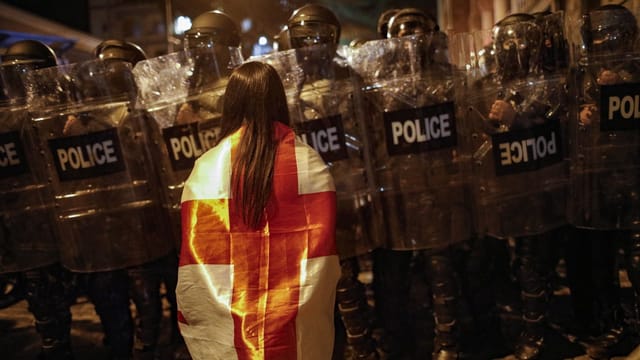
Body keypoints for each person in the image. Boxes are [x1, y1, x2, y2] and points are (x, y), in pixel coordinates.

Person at [176, 61, 340, 359]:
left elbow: (196, 260)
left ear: (231, 102)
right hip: (292, 313)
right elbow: (323, 254)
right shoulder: (309, 163)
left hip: (232, 312)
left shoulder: (208, 168)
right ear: (279, 99)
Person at [465, 13, 569, 359]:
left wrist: (517, 119)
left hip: (540, 186)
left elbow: (553, 126)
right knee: (519, 264)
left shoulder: (547, 83)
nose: (509, 49)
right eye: (504, 42)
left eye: (516, 41)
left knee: (535, 261)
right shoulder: (495, 85)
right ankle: (531, 330)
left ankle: (537, 335)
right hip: (509, 187)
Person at [286, 4, 383, 358]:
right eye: (301, 39)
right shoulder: (292, 87)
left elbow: (369, 137)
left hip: (344, 191)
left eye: (314, 38)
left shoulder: (348, 81)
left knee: (345, 276)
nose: (308, 47)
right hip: (309, 196)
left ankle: (362, 347)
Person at [568, 4, 640, 358]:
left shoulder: (635, 70)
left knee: (636, 255)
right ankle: (615, 325)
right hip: (597, 175)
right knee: (603, 258)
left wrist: (626, 85)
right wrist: (582, 118)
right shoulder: (583, 76)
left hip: (632, 171)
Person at [0, 40, 76, 360]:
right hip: (27, 221)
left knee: (47, 291)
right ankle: (54, 344)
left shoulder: (61, 117)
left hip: (50, 219)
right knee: (41, 291)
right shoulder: (8, 119)